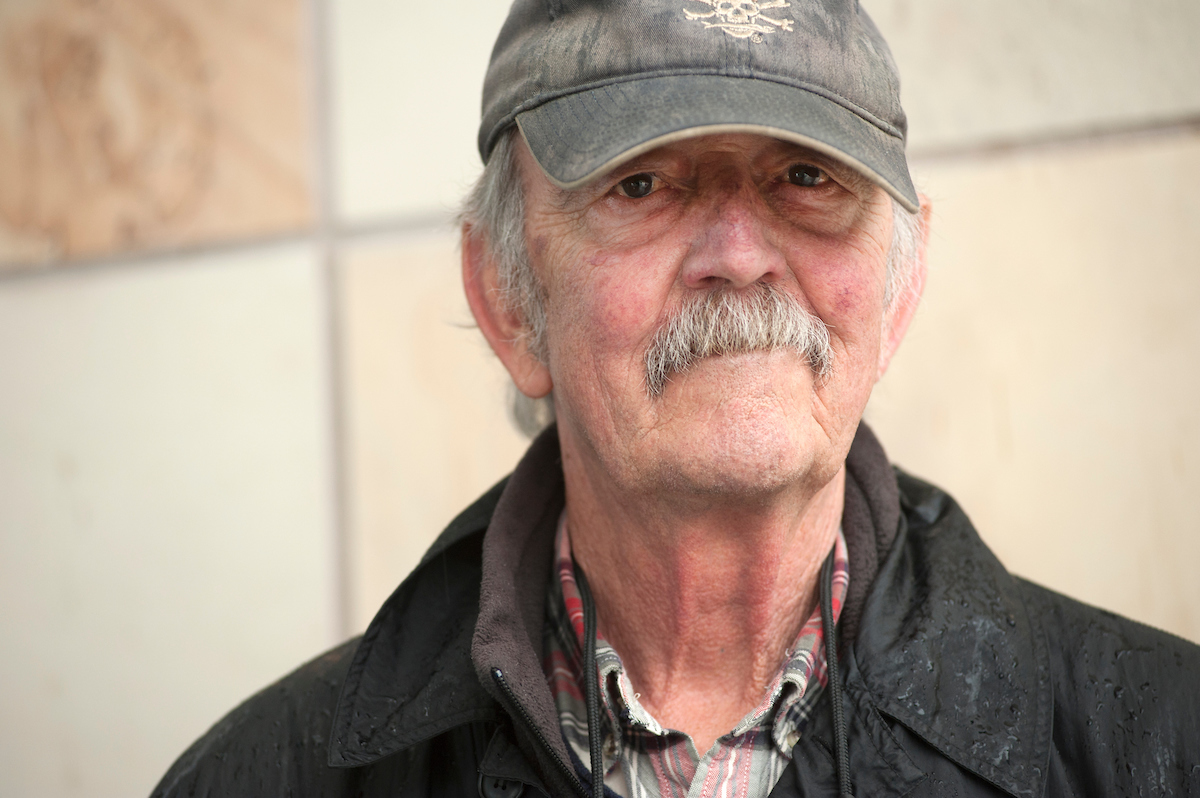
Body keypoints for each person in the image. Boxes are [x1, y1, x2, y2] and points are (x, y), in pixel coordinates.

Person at [152, 1, 1200, 796]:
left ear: (900, 288)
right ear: (508, 299)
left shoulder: (1163, 744)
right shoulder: (259, 779)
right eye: (643, 184)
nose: (739, 257)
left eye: (807, 178)